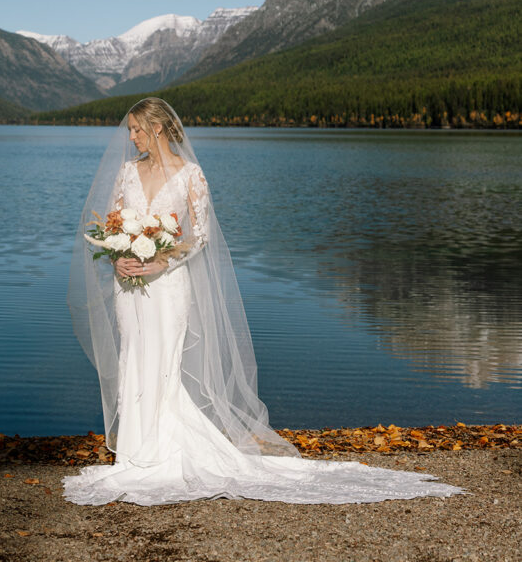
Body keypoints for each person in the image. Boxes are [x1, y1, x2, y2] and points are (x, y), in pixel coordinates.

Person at [62, 97, 462, 506]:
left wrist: (160, 261)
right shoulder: (128, 172)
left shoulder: (190, 176)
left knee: (163, 362)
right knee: (133, 355)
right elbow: (112, 224)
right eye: (129, 130)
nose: (130, 138)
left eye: (136, 129)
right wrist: (119, 258)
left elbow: (198, 237)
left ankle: (159, 452)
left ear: (158, 129)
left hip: (167, 287)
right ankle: (132, 452)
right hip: (128, 286)